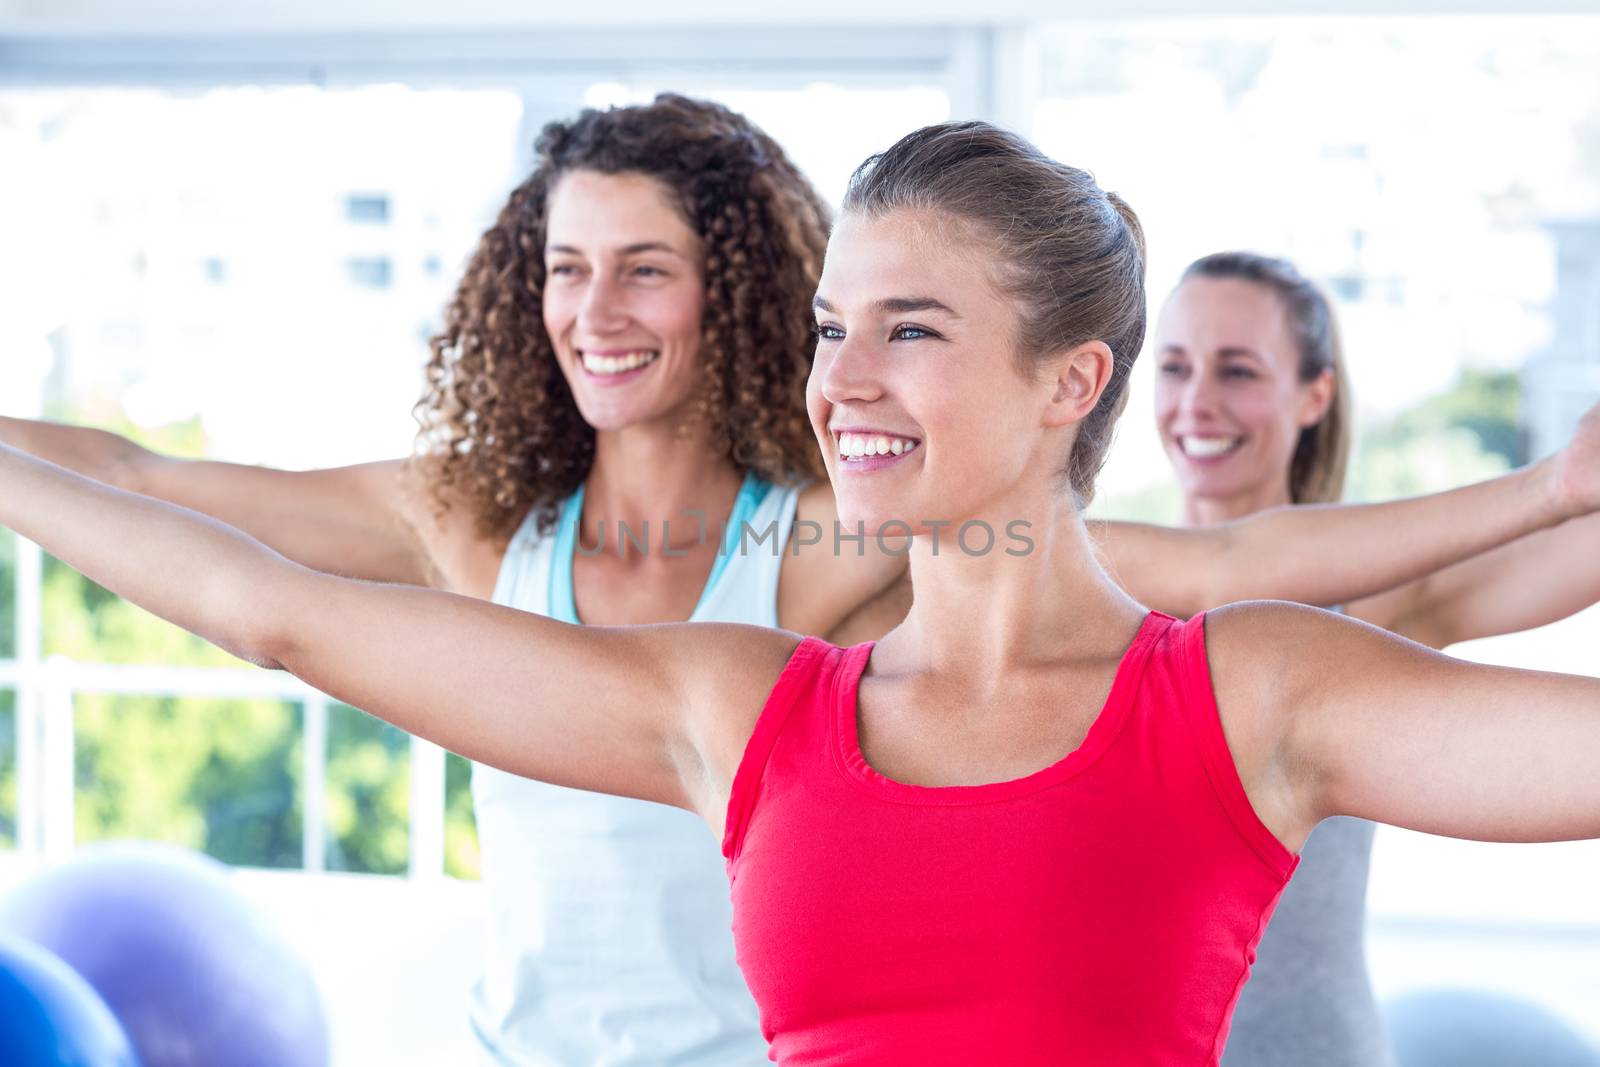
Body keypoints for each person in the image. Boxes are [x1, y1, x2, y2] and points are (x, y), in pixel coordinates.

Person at [5, 115, 1599, 1065]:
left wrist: (1553, 490)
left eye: (911, 327)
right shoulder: (735, 703)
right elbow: (278, 610)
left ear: (1070, 382)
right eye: (835, 326)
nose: (842, 376)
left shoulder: (1250, 693)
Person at [1154, 250, 1600, 1067]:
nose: (1197, 402)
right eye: (1175, 366)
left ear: (1315, 394)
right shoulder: (1098, 598)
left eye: (1238, 370)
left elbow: (1580, 543)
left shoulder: (1364, 599)